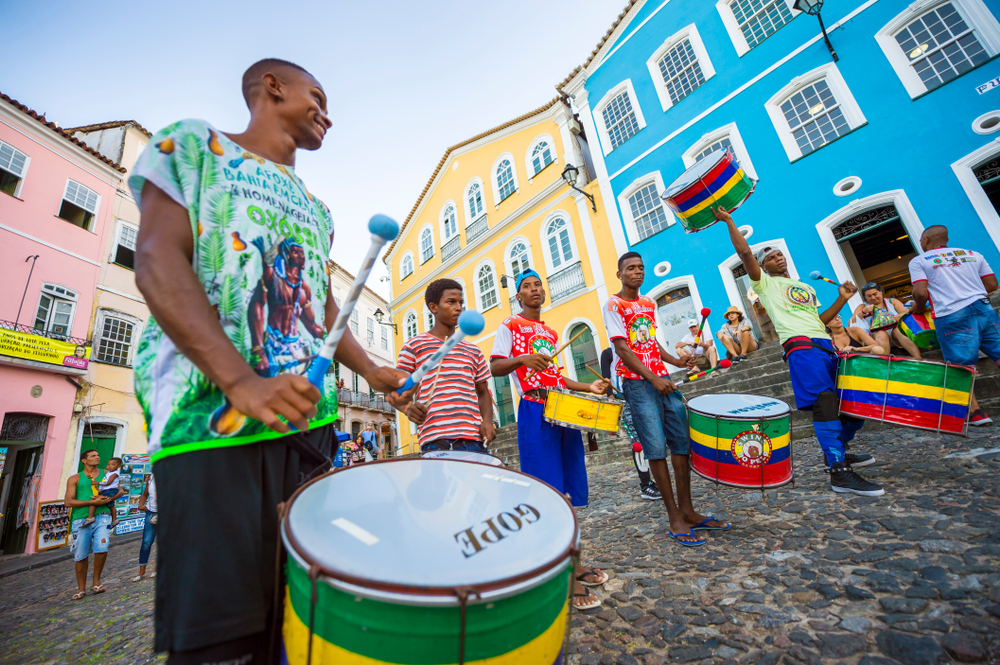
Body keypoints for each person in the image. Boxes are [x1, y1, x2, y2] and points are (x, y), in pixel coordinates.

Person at [130, 58, 415, 663]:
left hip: (307, 428)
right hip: (207, 427)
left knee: (303, 616)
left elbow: (322, 301)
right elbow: (156, 258)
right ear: (272, 87)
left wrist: (370, 371)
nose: (327, 115)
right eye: (318, 96)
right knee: (224, 638)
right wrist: (240, 381)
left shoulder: (317, 207)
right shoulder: (193, 145)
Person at [714, 206, 882, 496]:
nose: (778, 257)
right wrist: (730, 221)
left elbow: (819, 321)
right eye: (770, 257)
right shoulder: (764, 283)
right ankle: (839, 471)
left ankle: (838, 450)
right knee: (826, 403)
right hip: (801, 348)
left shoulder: (804, 287)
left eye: (779, 254)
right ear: (763, 267)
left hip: (826, 346)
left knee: (853, 407)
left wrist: (842, 299)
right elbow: (744, 256)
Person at [490, 269, 609, 609]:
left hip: (562, 408)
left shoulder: (550, 331)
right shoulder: (509, 326)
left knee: (568, 489)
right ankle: (562, 575)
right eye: (526, 286)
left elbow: (556, 376)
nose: (534, 290)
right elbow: (495, 367)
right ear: (519, 297)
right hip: (534, 409)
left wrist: (589, 386)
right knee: (547, 492)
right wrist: (522, 359)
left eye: (538, 285)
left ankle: (574, 561)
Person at [605, 253, 730, 547]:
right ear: (619, 274)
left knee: (681, 442)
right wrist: (652, 378)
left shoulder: (647, 302)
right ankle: (673, 515)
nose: (637, 273)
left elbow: (649, 340)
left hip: (662, 380)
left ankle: (688, 510)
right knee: (656, 448)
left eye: (640, 268)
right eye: (630, 269)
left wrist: (676, 360)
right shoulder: (614, 304)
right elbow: (622, 349)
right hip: (638, 384)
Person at [909, 224, 1000, 426]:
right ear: (946, 239)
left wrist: (917, 307)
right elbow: (993, 285)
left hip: (952, 315)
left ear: (925, 240)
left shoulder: (919, 261)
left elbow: (921, 292)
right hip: (984, 309)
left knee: (961, 365)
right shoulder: (973, 254)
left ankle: (976, 413)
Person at [399, 279, 496, 453]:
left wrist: (487, 420)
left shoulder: (473, 350)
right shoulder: (414, 346)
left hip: (474, 439)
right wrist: (408, 409)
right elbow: (396, 390)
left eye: (461, 303)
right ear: (433, 307)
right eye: (451, 302)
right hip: (435, 440)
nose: (459, 308)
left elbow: (483, 392)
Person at [600, 347, 661, 501]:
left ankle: (658, 481)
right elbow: (606, 379)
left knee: (651, 438)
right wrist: (611, 396)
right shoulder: (608, 354)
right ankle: (646, 484)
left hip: (643, 394)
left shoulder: (637, 350)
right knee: (637, 442)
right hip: (623, 398)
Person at [64, 449, 124, 600]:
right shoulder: (75, 478)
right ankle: (81, 588)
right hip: (81, 518)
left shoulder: (108, 472)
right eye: (93, 456)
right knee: (81, 554)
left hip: (103, 515)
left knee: (102, 547)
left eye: (98, 455)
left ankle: (96, 581)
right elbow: (68, 501)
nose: (97, 457)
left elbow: (120, 491)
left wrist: (108, 500)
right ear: (84, 460)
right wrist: (91, 502)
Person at [850, 282, 922, 359]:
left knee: (898, 330)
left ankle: (919, 359)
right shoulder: (863, 306)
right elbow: (851, 322)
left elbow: (906, 313)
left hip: (896, 336)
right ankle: (885, 364)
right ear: (865, 297)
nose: (873, 298)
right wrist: (863, 312)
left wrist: (887, 319)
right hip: (877, 338)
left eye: (875, 294)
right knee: (881, 334)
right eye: (869, 296)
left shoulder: (891, 301)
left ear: (881, 291)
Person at [84, 457, 122, 527]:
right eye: (108, 464)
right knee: (111, 506)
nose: (110, 466)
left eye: (113, 464)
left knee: (94, 501)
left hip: (110, 491)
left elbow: (108, 483)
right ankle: (114, 520)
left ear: (119, 466)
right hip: (107, 491)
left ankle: (90, 517)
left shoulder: (114, 474)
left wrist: (97, 482)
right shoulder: (109, 473)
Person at [133, 475, 157, 582]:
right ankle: (141, 571)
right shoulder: (151, 478)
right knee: (146, 542)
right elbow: (145, 494)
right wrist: (141, 504)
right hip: (151, 512)